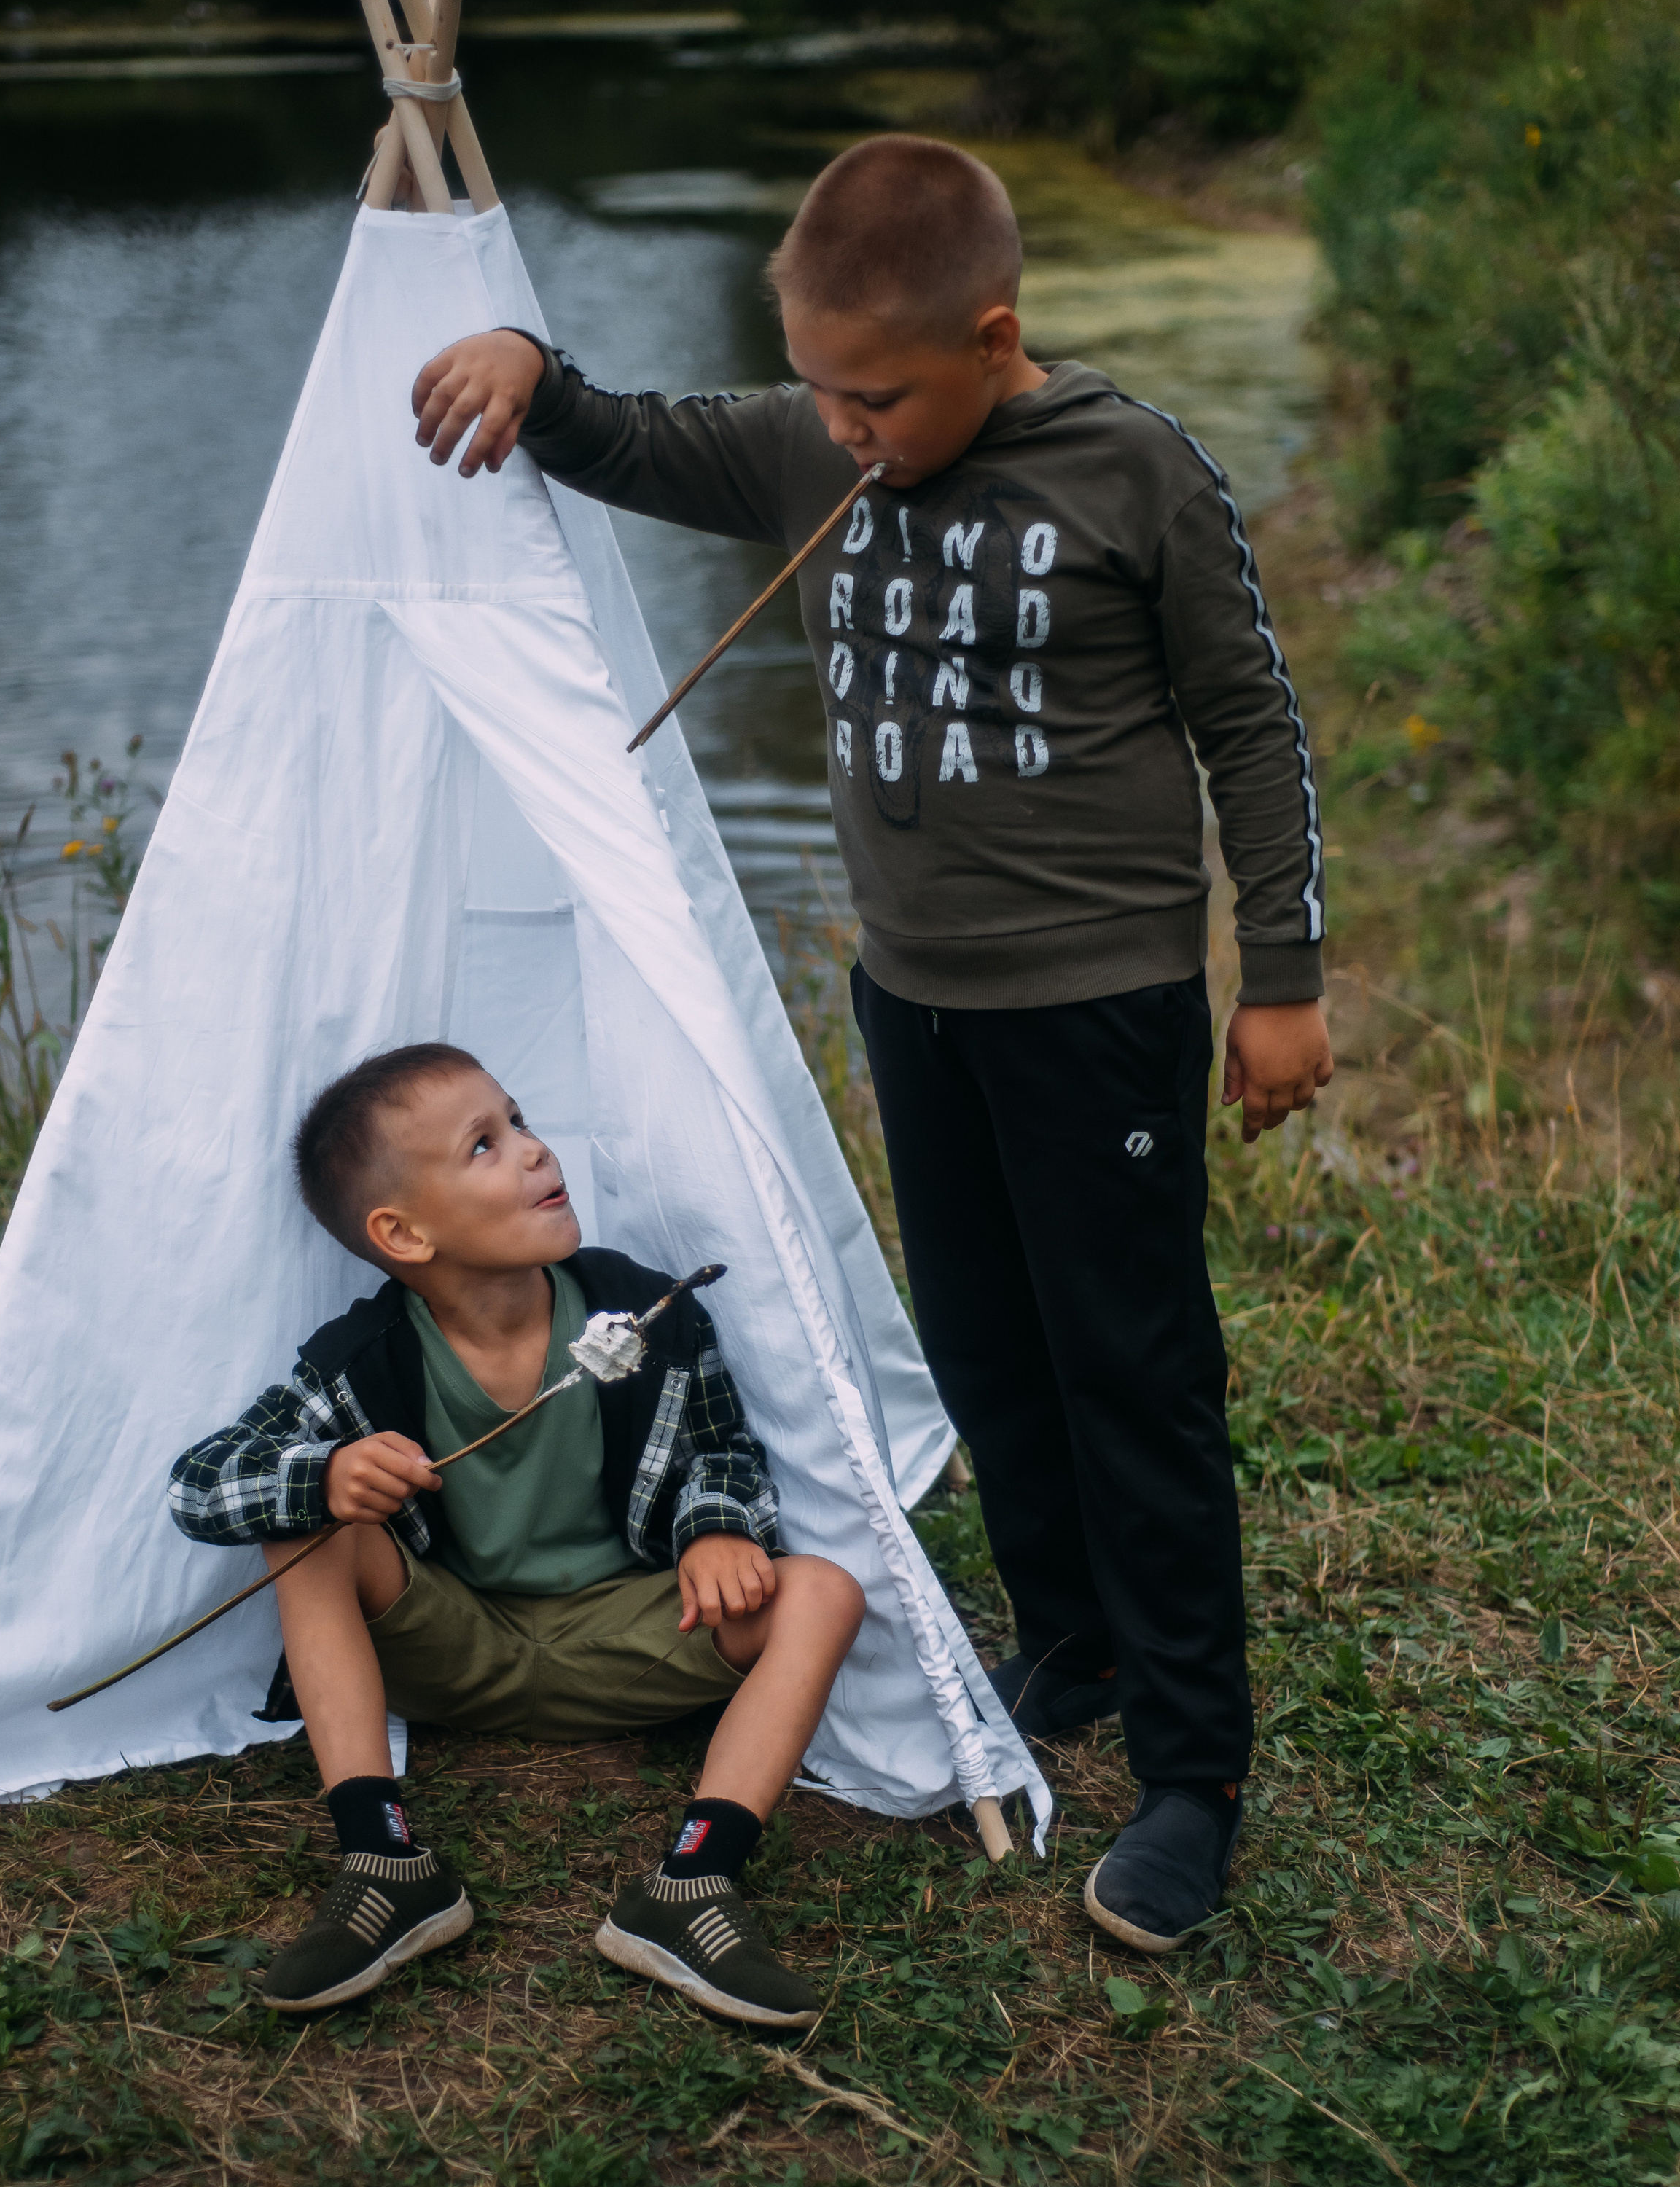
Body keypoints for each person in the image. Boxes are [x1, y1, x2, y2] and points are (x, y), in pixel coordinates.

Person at [408, 133, 1334, 1957]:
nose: (839, 428)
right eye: (817, 387)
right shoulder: (811, 445)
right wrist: (534, 373)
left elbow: (1250, 721)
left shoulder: (1128, 468)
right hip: (917, 1006)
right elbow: (641, 440)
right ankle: (1064, 1642)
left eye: (878, 395)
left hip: (1099, 1012)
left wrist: (1281, 977)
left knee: (1127, 1370)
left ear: (993, 338)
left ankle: (1191, 1770)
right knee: (988, 1345)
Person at [168, 1041, 863, 2025]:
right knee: (307, 1527)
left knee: (825, 1592)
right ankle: (384, 1858)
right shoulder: (359, 1361)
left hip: (629, 1635)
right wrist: (322, 1473)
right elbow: (198, 1484)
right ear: (403, 1232)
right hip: (454, 1645)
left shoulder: (646, 1311)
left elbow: (721, 1449)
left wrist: (713, 1529)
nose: (536, 1151)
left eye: (522, 1120)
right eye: (486, 1145)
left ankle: (691, 1887)